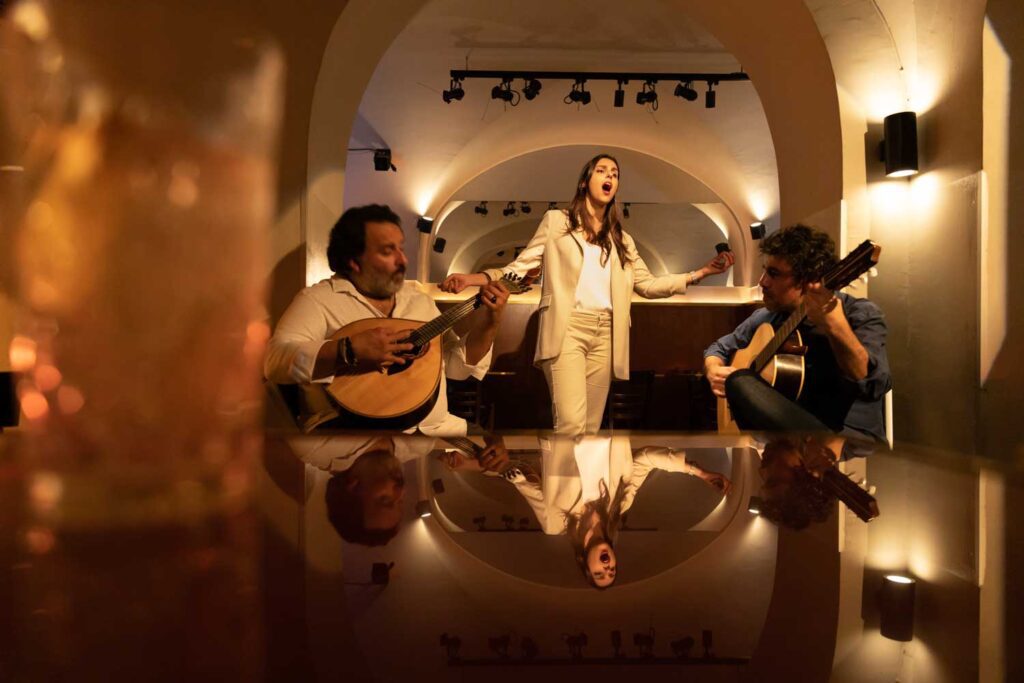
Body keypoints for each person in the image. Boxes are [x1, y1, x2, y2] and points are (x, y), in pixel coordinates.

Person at [441, 154, 733, 434]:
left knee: (590, 431)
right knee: (570, 427)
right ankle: (562, 486)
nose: (610, 177)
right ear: (585, 182)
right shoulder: (557, 222)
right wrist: (473, 278)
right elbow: (519, 268)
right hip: (567, 329)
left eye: (615, 174)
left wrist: (700, 273)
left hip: (607, 334)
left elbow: (647, 285)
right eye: (602, 171)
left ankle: (582, 488)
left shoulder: (623, 240)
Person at [265, 204, 509, 435]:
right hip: (350, 438)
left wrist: (491, 320)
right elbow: (274, 360)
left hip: (435, 429)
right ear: (354, 260)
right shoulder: (320, 299)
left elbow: (456, 368)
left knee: (497, 454)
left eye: (401, 248)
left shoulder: (419, 302)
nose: (402, 260)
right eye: (387, 251)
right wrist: (347, 350)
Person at [703, 224, 892, 441]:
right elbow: (718, 348)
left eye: (773, 274)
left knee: (739, 382)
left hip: (844, 439)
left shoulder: (860, 313)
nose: (762, 282)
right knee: (740, 381)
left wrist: (835, 326)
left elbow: (874, 386)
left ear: (808, 281)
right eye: (765, 271)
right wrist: (712, 368)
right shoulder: (766, 317)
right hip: (784, 449)